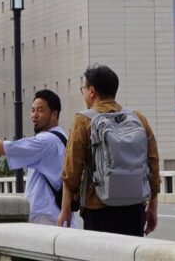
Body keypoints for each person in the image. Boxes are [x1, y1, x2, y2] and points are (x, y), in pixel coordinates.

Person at [61, 65, 159, 236]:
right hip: (134, 207)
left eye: (84, 89)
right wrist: (152, 207)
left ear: (92, 91)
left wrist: (65, 210)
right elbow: (153, 162)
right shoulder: (138, 118)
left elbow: (71, 171)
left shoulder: (83, 120)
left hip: (98, 208)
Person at [0, 91, 71, 226]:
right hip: (54, 213)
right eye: (33, 110)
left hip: (46, 217)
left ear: (54, 114)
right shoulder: (62, 137)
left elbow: (10, 149)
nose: (34, 115)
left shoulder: (46, 141)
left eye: (40, 111)